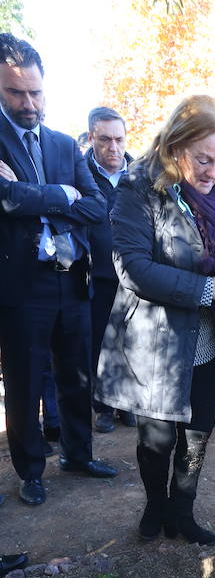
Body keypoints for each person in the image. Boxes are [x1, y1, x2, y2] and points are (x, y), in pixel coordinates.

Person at [96, 95, 215, 543]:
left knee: (199, 429)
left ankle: (182, 512)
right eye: (202, 159)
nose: (212, 170)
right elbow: (132, 267)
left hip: (205, 337)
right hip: (156, 338)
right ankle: (156, 507)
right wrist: (210, 289)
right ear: (174, 147)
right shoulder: (139, 188)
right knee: (157, 437)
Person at [0, 33, 117, 507]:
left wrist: (37, 198)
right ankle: (31, 471)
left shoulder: (65, 144)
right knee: (26, 383)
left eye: (36, 92)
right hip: (21, 287)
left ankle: (78, 454)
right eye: (16, 93)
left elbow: (95, 205)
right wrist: (61, 194)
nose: (29, 103)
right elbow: (4, 200)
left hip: (72, 279)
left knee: (77, 374)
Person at [85, 106, 135, 433]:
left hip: (136, 279)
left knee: (132, 343)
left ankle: (127, 403)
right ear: (92, 138)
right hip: (98, 278)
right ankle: (103, 406)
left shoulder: (139, 177)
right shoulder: (80, 173)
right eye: (105, 140)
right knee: (100, 344)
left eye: (118, 139)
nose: (113, 147)